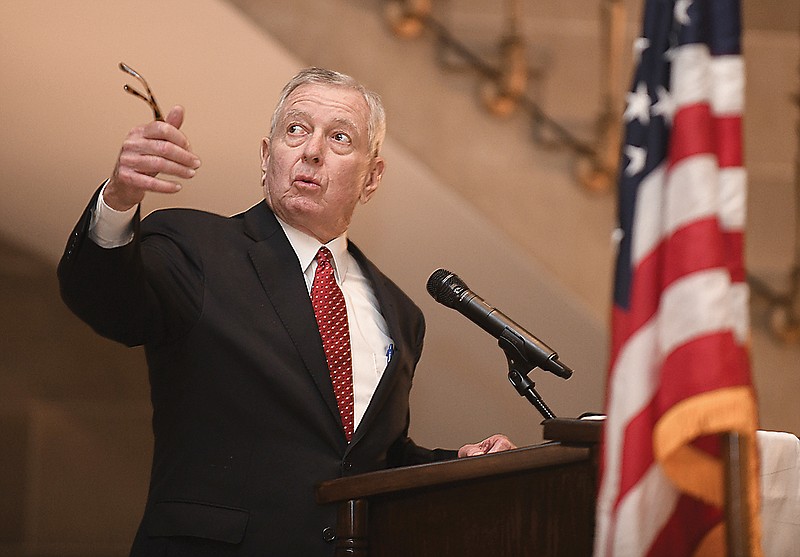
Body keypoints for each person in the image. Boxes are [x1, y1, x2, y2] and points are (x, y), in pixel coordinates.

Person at [58, 67, 515, 556]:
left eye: (340, 138)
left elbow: (368, 460)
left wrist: (461, 463)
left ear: (371, 178)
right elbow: (106, 300)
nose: (312, 151)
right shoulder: (195, 247)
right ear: (265, 155)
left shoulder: (401, 314)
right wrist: (118, 199)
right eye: (296, 130)